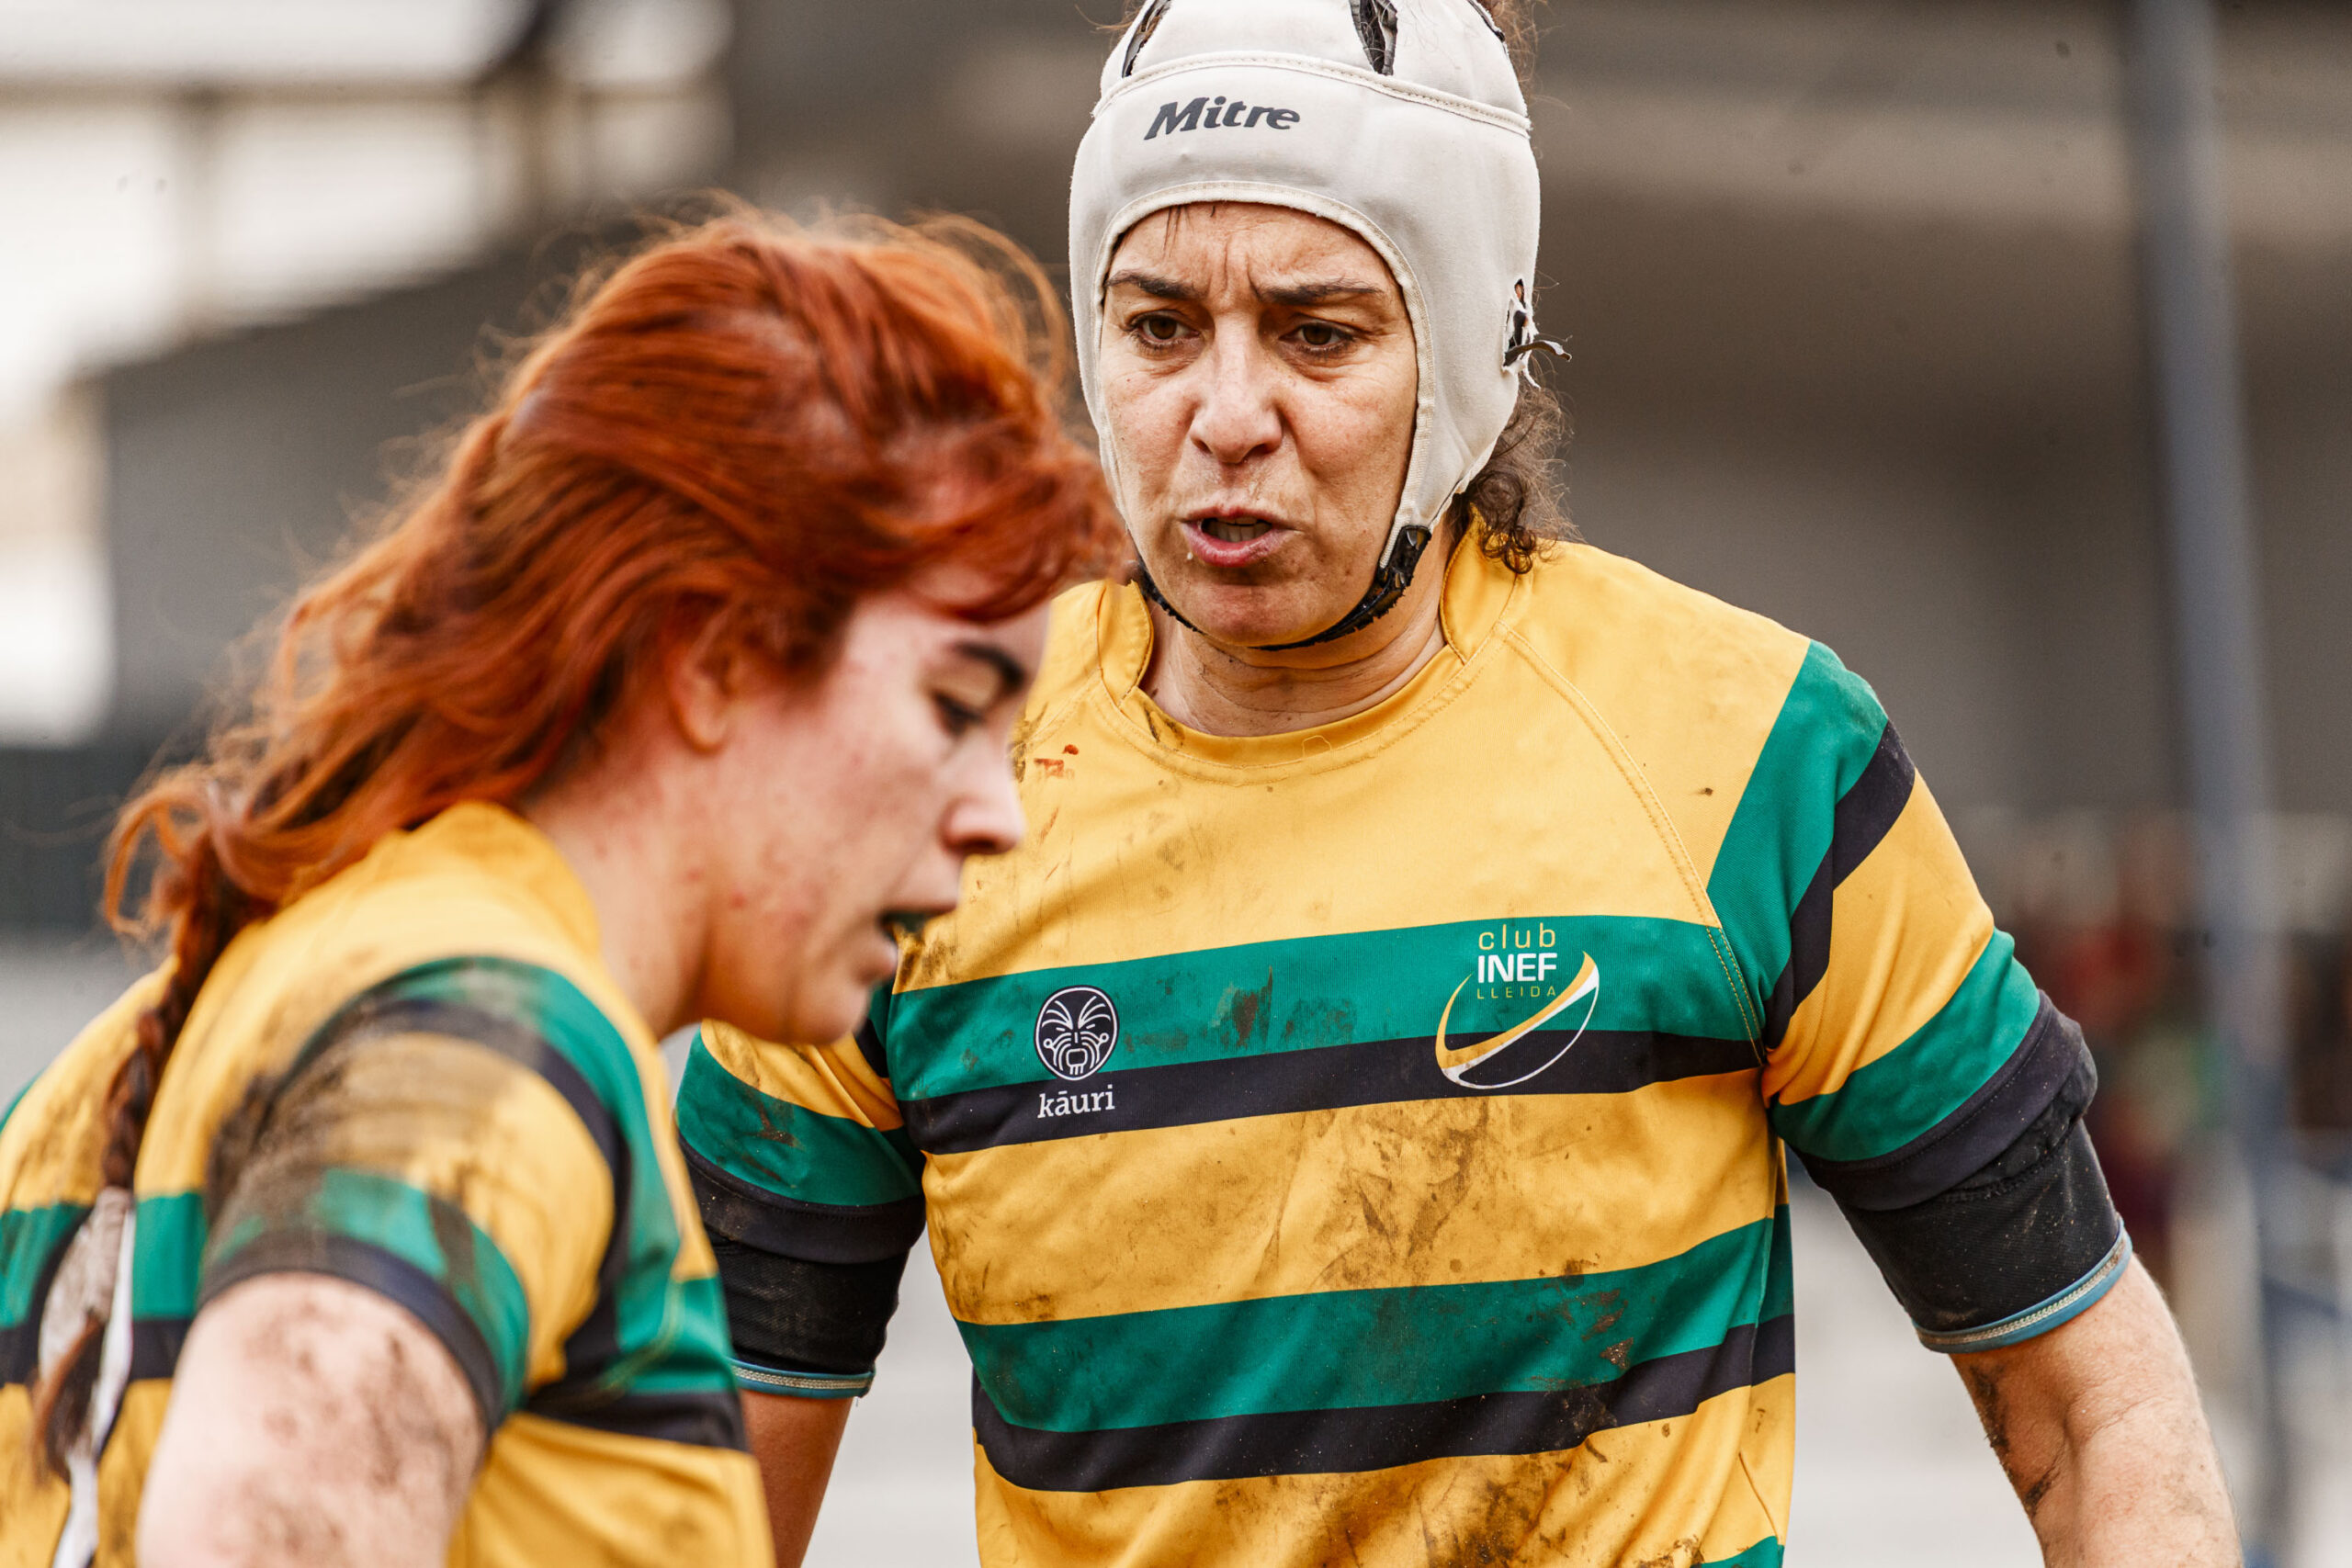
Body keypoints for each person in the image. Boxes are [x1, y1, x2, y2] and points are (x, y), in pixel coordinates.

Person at [683, 3, 2241, 1563]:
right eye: (1158, 326)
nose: (1225, 418)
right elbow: (696, 1495)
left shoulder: (1754, 754)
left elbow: (2093, 1404)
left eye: (1319, 333)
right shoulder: (911, 783)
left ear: (1475, 350)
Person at [0, 214, 1120, 1568]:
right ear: (711, 656)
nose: (996, 810)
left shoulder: (153, 1049)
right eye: (952, 704)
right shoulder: (486, 1048)